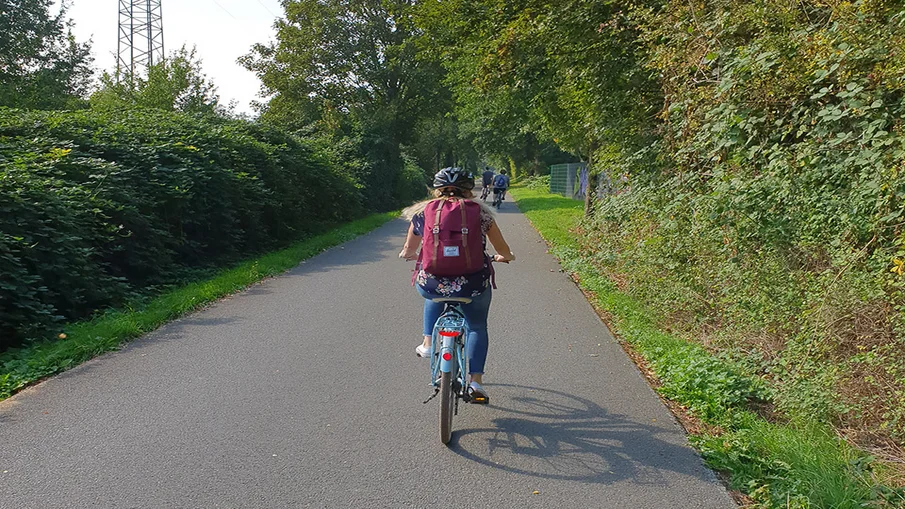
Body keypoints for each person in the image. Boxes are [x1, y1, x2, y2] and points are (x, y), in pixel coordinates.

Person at [399, 167, 516, 403]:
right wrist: (506, 256)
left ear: (436, 189)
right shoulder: (481, 214)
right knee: (477, 326)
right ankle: (475, 383)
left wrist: (409, 254)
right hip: (472, 283)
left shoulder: (422, 213)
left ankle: (428, 343)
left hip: (433, 283)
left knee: (432, 293)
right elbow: (501, 248)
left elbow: (409, 249)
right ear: (468, 190)